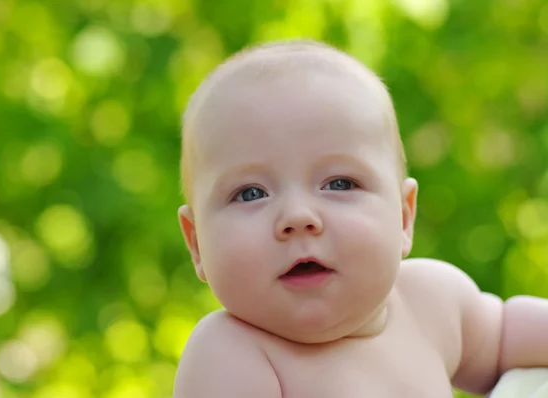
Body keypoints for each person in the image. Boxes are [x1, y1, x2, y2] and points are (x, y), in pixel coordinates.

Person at [172, 39, 548, 397]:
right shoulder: (230, 354)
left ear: (403, 217)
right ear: (197, 243)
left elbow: (503, 339)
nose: (299, 217)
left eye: (339, 183)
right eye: (251, 193)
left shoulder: (431, 303)